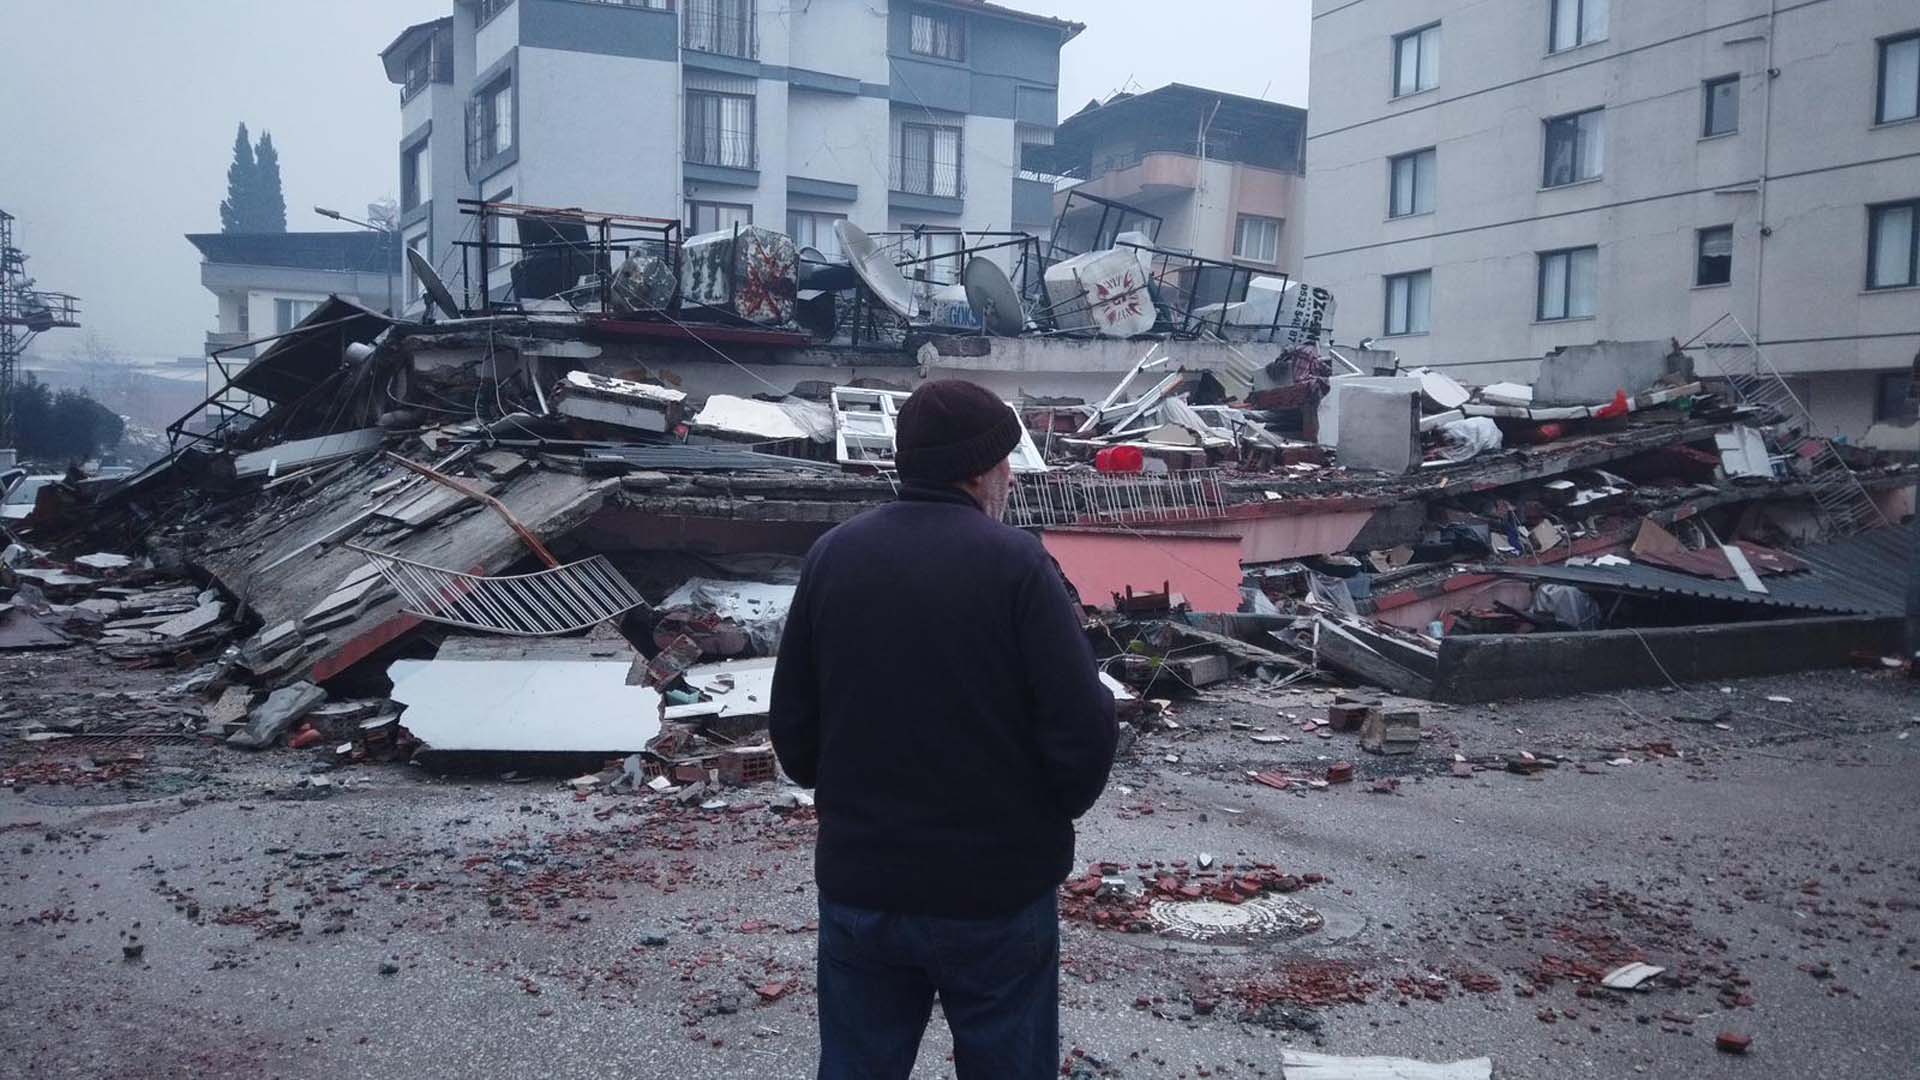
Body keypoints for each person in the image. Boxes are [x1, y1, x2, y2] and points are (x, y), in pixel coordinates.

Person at [770, 379, 1118, 1080]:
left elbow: (794, 735)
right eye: (1006, 462)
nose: (1012, 476)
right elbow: (1083, 731)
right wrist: (1041, 818)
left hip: (862, 888)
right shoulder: (1019, 565)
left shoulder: (832, 557)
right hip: (994, 895)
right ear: (981, 470)